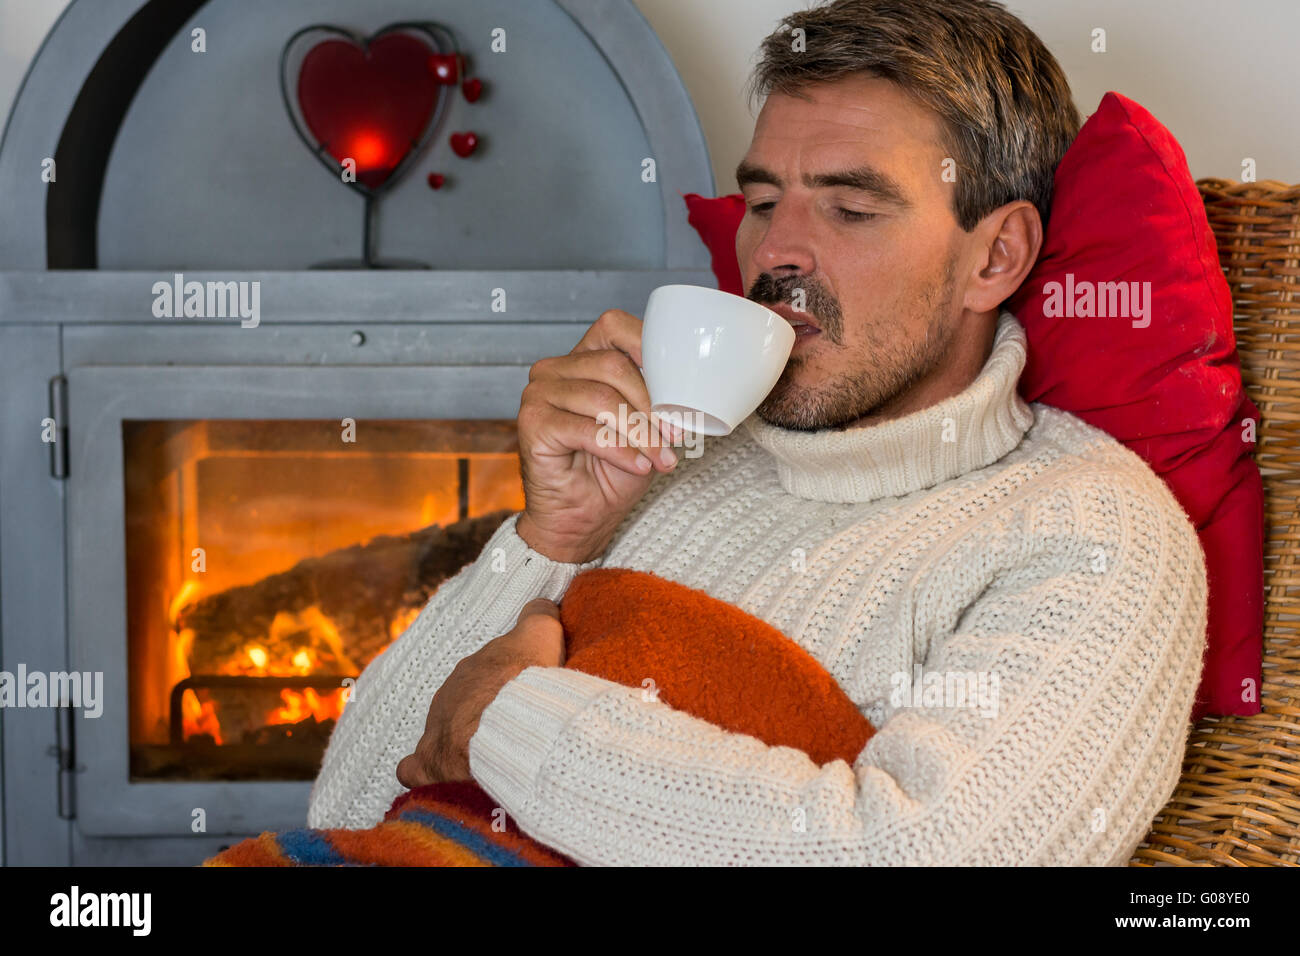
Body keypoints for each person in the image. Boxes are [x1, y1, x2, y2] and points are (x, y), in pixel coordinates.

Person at [307, 0, 1207, 865]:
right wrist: (547, 539)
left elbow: (911, 854)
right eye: (764, 201)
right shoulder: (658, 460)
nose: (777, 252)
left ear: (996, 255)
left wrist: (507, 717)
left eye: (850, 209)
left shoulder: (1091, 531)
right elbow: (346, 809)